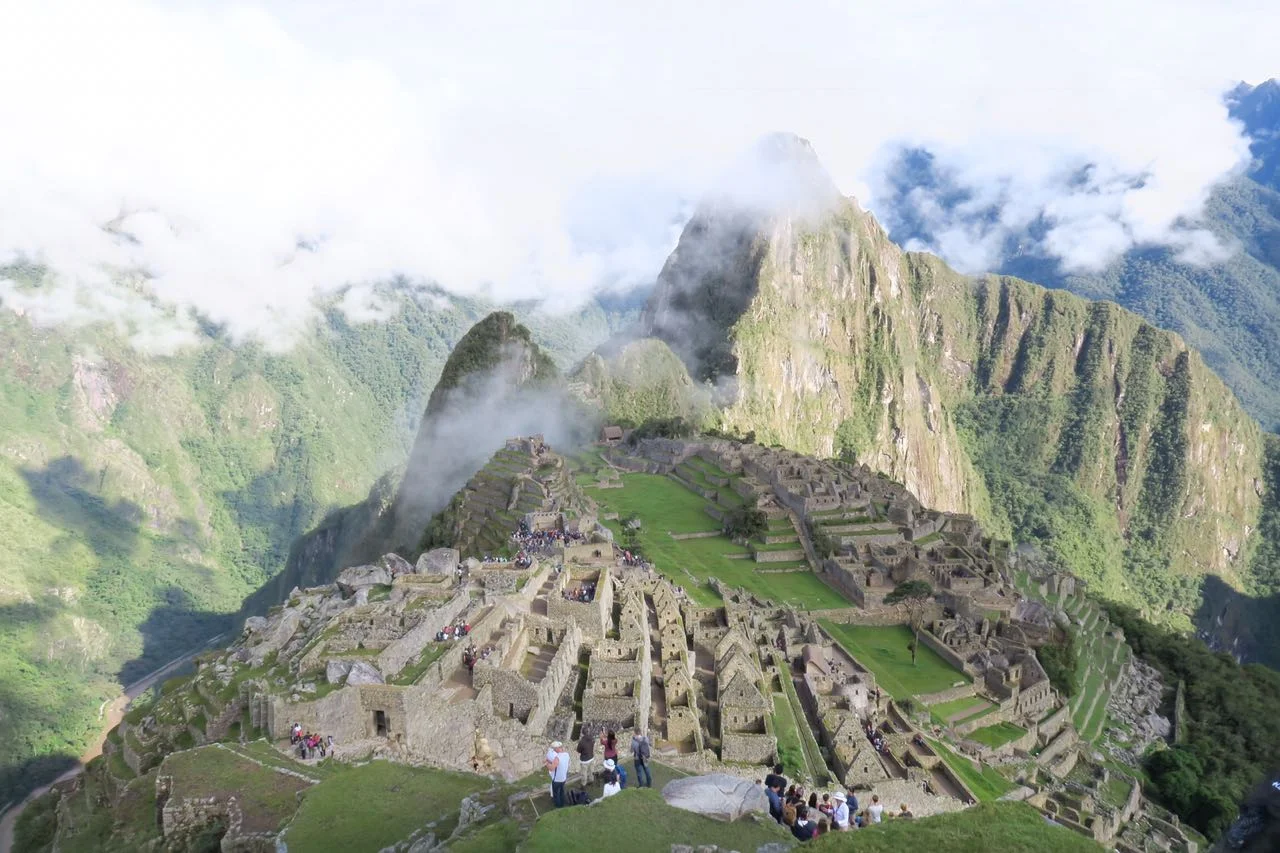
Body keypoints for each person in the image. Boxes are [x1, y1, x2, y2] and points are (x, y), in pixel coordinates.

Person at [546, 741, 569, 808]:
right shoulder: (566, 754)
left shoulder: (557, 758)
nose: (554, 750)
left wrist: (546, 764)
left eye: (554, 749)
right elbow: (559, 764)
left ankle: (558, 807)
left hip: (557, 780)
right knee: (561, 792)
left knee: (556, 794)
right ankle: (562, 804)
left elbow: (551, 768)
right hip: (564, 778)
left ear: (557, 748)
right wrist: (550, 762)